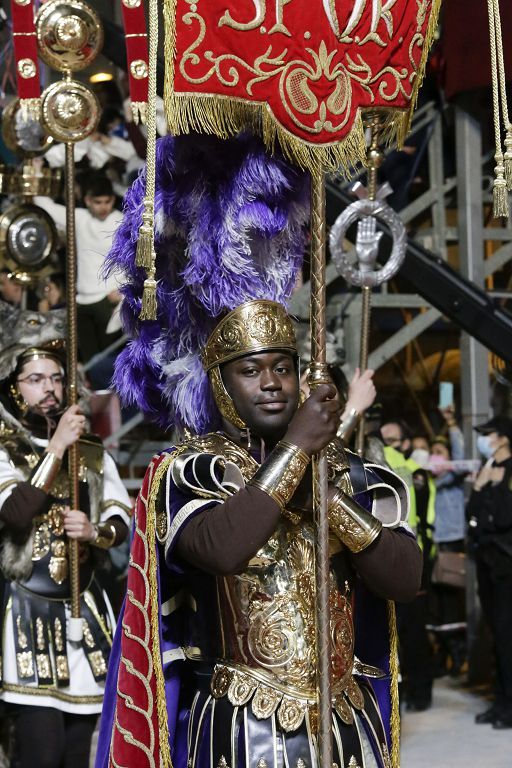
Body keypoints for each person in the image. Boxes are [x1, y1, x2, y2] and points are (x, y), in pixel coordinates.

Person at [97, 299, 422, 768]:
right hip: (242, 726)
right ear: (221, 383)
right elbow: (221, 548)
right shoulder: (194, 469)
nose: (271, 383)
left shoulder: (348, 471)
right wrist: (295, 451)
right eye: (250, 370)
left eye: (283, 368)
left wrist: (331, 502)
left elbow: (406, 579)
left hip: (348, 725)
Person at [0, 312, 132, 767]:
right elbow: (15, 514)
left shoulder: (90, 451)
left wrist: (95, 532)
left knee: (80, 752)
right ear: (13, 385)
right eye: (35, 378)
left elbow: (122, 521)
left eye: (56, 378)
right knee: (40, 753)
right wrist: (55, 448)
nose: (49, 388)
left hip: (84, 613)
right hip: (24, 613)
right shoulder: (4, 448)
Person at [34, 176, 123, 363]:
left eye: (107, 201)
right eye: (98, 202)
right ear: (88, 200)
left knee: (110, 362)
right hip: (81, 300)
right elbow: (45, 206)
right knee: (91, 362)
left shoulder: (122, 222)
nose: (103, 207)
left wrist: (123, 290)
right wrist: (38, 173)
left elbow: (132, 259)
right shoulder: (80, 218)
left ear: (113, 200)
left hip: (108, 300)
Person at [381, 419, 436, 711]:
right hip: (403, 554)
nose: (389, 444)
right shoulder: (412, 469)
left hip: (409, 556)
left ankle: (418, 691)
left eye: (393, 440)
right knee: (405, 630)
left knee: (410, 630)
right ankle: (415, 692)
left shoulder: (394, 465)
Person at [467, 416, 512, 730]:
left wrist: (492, 488)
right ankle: (500, 702)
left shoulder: (508, 470)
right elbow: (472, 514)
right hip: (486, 560)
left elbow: (504, 517)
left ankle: (509, 705)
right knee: (496, 634)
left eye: (489, 434)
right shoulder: (486, 468)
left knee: (507, 636)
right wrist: (482, 486)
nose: (485, 439)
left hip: (506, 563)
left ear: (504, 438)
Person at [429, 407, 467, 677]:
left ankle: (458, 652)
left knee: (453, 601)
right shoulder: (427, 482)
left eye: (440, 454)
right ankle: (442, 656)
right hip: (432, 545)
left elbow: (462, 455)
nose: (435, 459)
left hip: (451, 543)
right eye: (433, 454)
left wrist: (451, 423)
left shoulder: (452, 479)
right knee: (436, 606)